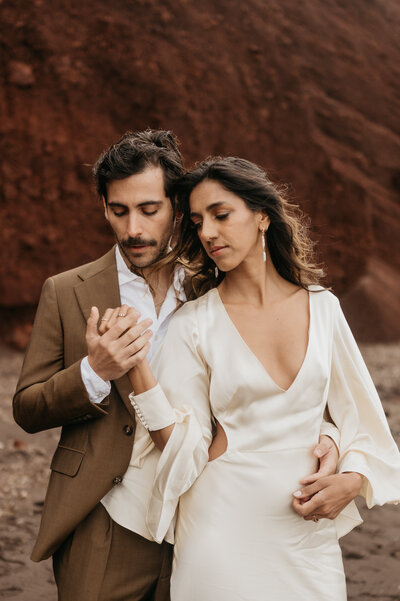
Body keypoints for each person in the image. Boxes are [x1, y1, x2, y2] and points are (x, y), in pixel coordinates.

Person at [13, 133, 339, 601]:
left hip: (211, 512)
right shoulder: (67, 291)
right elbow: (27, 407)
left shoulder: (215, 289)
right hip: (106, 517)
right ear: (104, 208)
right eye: (118, 210)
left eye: (149, 209)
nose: (133, 229)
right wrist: (95, 371)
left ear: (177, 208)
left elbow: (289, 382)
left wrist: (329, 434)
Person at [122, 156, 400, 601]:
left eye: (221, 214)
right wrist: (137, 369)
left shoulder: (323, 308)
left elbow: (364, 421)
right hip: (219, 527)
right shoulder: (195, 323)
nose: (208, 232)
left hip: (307, 536)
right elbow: (178, 448)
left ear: (263, 216)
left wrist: (351, 480)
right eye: (197, 222)